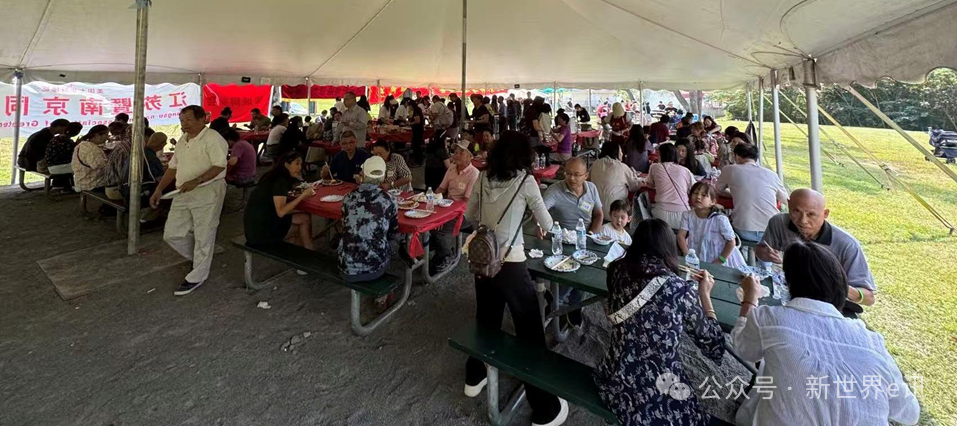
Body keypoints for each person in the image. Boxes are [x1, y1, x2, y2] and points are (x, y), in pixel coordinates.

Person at [732, 241, 919, 426]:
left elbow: (743, 349)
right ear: (840, 284)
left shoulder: (769, 318)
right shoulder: (871, 341)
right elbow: (910, 413)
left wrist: (749, 300)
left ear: (789, 282)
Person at [463, 130, 567, 426]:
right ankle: (545, 408)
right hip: (511, 263)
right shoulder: (526, 181)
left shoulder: (483, 176)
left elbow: (470, 215)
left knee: (486, 320)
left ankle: (474, 376)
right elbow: (547, 222)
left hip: (483, 261)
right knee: (530, 331)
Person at [595, 218, 724, 426]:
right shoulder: (679, 288)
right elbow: (713, 344)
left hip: (615, 375)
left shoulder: (617, 269)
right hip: (657, 384)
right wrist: (705, 295)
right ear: (668, 248)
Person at [149, 105, 229, 296]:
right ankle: (200, 258)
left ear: (203, 119)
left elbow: (219, 165)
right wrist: (159, 189)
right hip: (183, 191)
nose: (184, 124)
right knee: (172, 233)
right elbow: (173, 167)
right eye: (182, 120)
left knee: (204, 232)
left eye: (189, 120)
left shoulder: (213, 138)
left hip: (208, 190)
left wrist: (198, 180)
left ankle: (198, 275)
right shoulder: (182, 140)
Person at [756, 188, 877, 309]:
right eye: (796, 211)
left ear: (825, 214)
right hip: (785, 296)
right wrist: (765, 254)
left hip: (825, 306)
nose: (803, 221)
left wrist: (840, 287)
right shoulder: (779, 223)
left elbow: (869, 298)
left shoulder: (847, 245)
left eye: (811, 214)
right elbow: (760, 250)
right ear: (788, 205)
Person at [339, 156, 399, 282]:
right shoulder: (389, 200)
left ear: (363, 174)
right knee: (393, 242)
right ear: (383, 176)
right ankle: (386, 289)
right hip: (374, 269)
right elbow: (393, 231)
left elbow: (344, 225)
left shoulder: (348, 198)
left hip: (346, 267)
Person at [243, 151, 315, 252]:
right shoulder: (280, 181)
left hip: (255, 226)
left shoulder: (272, 176)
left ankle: (303, 251)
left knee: (303, 217)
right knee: (304, 221)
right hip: (260, 233)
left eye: (301, 164)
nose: (299, 168)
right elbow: (281, 212)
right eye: (297, 164)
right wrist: (303, 195)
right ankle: (309, 252)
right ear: (286, 164)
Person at [715, 143, 787, 242]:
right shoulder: (771, 174)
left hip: (744, 229)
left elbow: (718, 190)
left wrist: (736, 194)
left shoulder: (730, 169)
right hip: (772, 230)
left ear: (736, 156)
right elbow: (784, 199)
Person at [431, 141, 480, 273]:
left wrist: (444, 216)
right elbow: (441, 188)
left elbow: (465, 203)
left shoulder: (474, 174)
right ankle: (439, 251)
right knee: (429, 223)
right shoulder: (451, 169)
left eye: (461, 153)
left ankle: (447, 255)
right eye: (455, 152)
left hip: (465, 213)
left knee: (440, 230)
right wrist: (430, 198)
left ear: (470, 157)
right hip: (448, 207)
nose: (456, 155)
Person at [677, 182, 747, 269]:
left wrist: (720, 260)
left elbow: (731, 242)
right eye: (695, 193)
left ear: (712, 202)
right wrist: (687, 254)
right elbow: (681, 236)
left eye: (703, 195)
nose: (698, 197)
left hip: (723, 258)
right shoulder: (687, 215)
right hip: (698, 257)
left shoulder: (720, 219)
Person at [643, 143, 693, 229]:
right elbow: (694, 188)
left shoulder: (654, 167)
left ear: (660, 155)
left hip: (661, 215)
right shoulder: (685, 170)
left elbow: (649, 184)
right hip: (683, 215)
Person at [588, 141, 641, 215]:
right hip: (616, 215)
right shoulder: (622, 167)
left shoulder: (595, 164)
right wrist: (636, 177)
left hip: (596, 212)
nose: (622, 153)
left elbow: (589, 182)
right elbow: (634, 186)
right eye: (620, 151)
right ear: (616, 152)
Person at [72, 125, 110, 191]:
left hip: (81, 182)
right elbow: (100, 166)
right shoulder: (92, 148)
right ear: (97, 135)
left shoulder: (82, 144)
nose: (107, 138)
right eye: (106, 135)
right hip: (92, 184)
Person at [407, 100, 426, 165]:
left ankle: (418, 161)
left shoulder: (416, 110)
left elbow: (417, 121)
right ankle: (417, 160)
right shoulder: (417, 109)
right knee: (416, 145)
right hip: (418, 130)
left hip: (418, 131)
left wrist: (410, 123)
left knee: (416, 146)